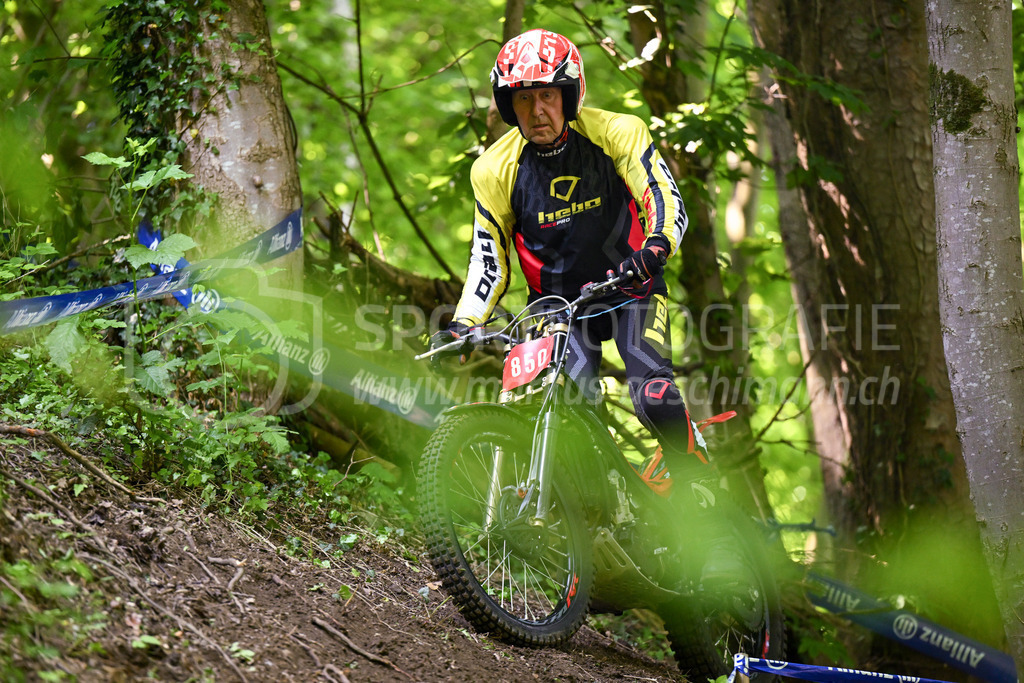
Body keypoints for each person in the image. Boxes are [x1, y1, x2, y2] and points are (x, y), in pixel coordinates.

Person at [430, 28, 739, 585]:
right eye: (523, 99)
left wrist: (658, 246)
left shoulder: (618, 132)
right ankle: (596, 523)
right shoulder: (493, 170)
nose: (537, 110)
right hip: (557, 306)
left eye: (548, 95)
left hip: (631, 287)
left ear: (569, 95)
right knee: (567, 410)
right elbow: (488, 259)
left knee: (651, 393)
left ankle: (703, 504)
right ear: (509, 106)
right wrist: (464, 322)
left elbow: (663, 195)